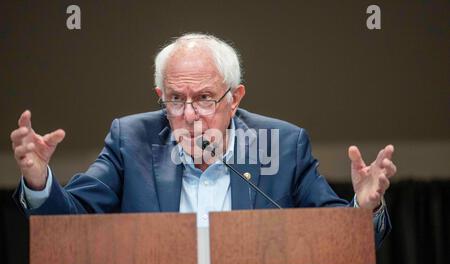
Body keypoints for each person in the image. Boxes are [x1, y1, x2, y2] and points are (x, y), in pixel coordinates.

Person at [10, 33, 396, 247]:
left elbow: (335, 240)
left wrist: (362, 207)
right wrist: (40, 181)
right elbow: (68, 227)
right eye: (176, 99)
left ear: (235, 98)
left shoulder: (283, 144)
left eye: (204, 98)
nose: (190, 115)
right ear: (161, 97)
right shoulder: (131, 140)